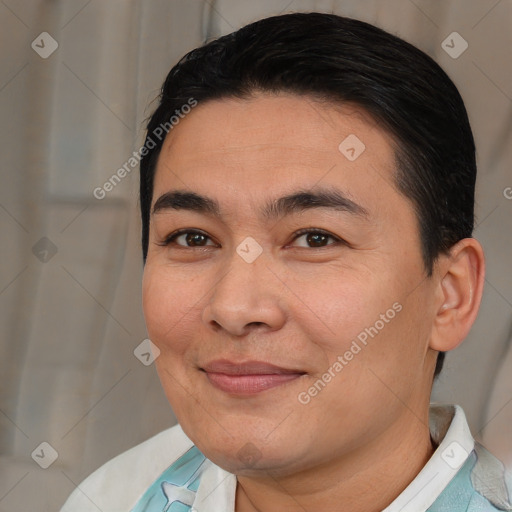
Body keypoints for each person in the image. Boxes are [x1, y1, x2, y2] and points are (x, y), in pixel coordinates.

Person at [61, 11, 512, 512]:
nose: (234, 307)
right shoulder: (116, 496)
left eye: (315, 238)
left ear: (450, 295)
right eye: (193, 237)